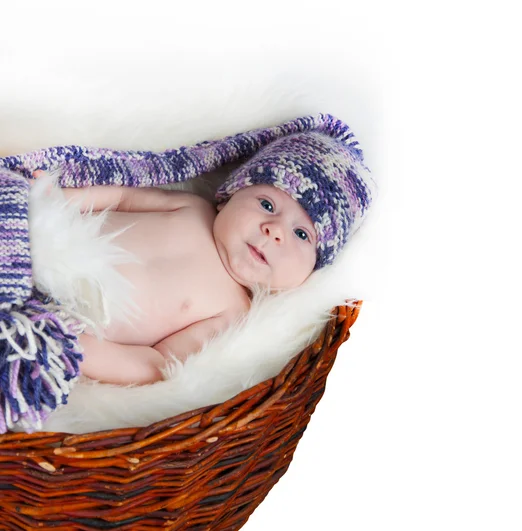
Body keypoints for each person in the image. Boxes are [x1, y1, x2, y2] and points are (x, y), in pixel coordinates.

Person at [33, 129, 373, 386]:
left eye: (302, 234)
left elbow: (158, 362)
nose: (274, 230)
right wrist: (57, 199)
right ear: (230, 195)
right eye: (267, 205)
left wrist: (77, 349)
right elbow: (122, 196)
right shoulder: (193, 208)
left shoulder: (233, 314)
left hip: (58, 316)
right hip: (36, 240)